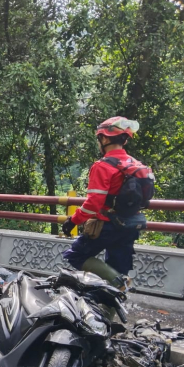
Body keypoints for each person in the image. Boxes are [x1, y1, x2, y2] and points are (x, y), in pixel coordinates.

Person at [61, 117, 147, 289]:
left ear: (105, 139)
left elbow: (93, 203)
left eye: (99, 138)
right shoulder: (136, 165)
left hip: (107, 226)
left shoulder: (103, 166)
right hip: (131, 225)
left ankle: (118, 281)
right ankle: (109, 309)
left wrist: (73, 221)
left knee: (75, 256)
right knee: (119, 268)